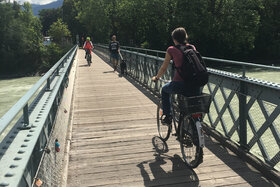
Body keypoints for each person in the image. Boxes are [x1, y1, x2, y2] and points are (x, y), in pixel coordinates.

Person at [152, 27, 202, 125]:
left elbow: (163, 68)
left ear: (174, 39)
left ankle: (168, 116)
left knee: (165, 90)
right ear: (185, 37)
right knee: (192, 106)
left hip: (180, 83)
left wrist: (157, 77)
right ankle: (195, 127)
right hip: (196, 82)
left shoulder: (171, 49)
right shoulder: (192, 47)